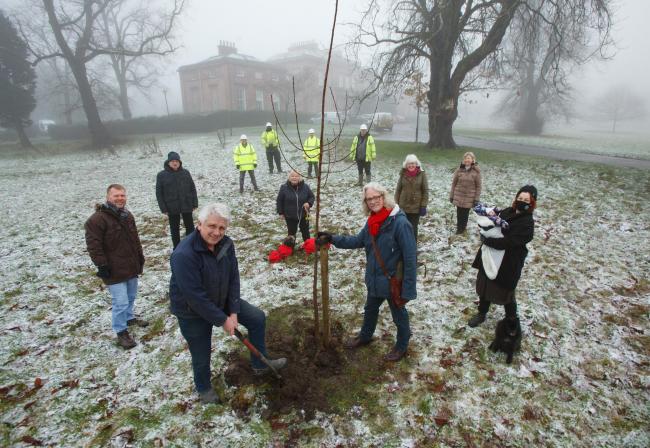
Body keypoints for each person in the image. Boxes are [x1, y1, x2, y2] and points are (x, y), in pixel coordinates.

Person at [169, 203, 287, 404]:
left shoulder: (226, 245)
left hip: (221, 297)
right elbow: (194, 296)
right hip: (191, 310)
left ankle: (260, 364)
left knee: (257, 318)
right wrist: (222, 320)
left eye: (222, 228)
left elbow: (233, 277)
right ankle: (204, 388)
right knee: (201, 350)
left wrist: (232, 311)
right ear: (200, 224)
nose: (216, 233)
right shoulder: (184, 254)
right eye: (212, 226)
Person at [316, 182, 416, 362]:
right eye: (368, 199)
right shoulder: (372, 221)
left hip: (393, 281)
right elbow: (356, 241)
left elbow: (410, 259)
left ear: (384, 197)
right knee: (370, 309)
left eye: (376, 197)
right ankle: (365, 336)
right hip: (375, 279)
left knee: (399, 315)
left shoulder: (400, 223)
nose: (372, 201)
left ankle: (401, 346)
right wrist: (332, 238)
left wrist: (408, 289)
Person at [85, 184, 147, 350]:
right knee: (120, 301)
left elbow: (135, 239)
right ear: (108, 197)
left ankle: (129, 317)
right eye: (116, 196)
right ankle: (121, 331)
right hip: (113, 268)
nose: (120, 198)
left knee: (131, 295)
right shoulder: (97, 220)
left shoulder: (127, 215)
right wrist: (102, 265)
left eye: (122, 195)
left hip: (130, 265)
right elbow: (94, 246)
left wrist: (139, 258)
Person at [467, 185, 537, 328]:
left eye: (526, 199)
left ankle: (511, 318)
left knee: (506, 291)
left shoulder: (527, 222)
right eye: (520, 198)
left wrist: (488, 240)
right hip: (490, 256)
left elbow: (510, 241)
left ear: (531, 202)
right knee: (485, 284)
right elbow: (491, 223)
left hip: (508, 263)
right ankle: (482, 313)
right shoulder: (507, 211)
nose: (522, 201)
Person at [155, 151, 198, 250]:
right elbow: (159, 193)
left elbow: (192, 188)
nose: (175, 163)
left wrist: (194, 203)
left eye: (177, 161)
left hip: (186, 204)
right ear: (168, 162)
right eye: (173, 161)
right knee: (174, 229)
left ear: (180, 162)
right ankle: (177, 248)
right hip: (171, 206)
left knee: (190, 227)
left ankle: (191, 246)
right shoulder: (161, 175)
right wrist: (163, 208)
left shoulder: (185, 172)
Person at [394, 154, 429, 242]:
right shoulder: (403, 174)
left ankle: (412, 247)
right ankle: (402, 246)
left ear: (416, 164)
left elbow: (425, 191)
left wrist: (423, 206)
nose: (411, 165)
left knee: (413, 228)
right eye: (409, 163)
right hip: (403, 206)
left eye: (413, 163)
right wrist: (395, 205)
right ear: (406, 165)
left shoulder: (422, 174)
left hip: (416, 207)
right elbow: (398, 190)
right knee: (403, 227)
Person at [276, 170, 315, 242]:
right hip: (290, 216)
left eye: (296, 176)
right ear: (289, 177)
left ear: (300, 177)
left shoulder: (305, 187)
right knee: (291, 233)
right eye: (292, 176)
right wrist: (280, 212)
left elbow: (312, 197)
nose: (294, 178)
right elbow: (279, 200)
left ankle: (308, 247)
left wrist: (309, 203)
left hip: (303, 214)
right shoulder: (284, 187)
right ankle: (290, 248)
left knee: (305, 232)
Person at [449, 151, 482, 234]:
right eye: (466, 158)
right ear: (464, 160)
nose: (467, 160)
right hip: (458, 195)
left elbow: (478, 186)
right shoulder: (459, 170)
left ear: (472, 160)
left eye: (469, 158)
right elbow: (454, 183)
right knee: (459, 213)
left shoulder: (476, 172)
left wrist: (476, 199)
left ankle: (462, 229)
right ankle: (459, 228)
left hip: (469, 197)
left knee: (465, 214)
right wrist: (451, 195)